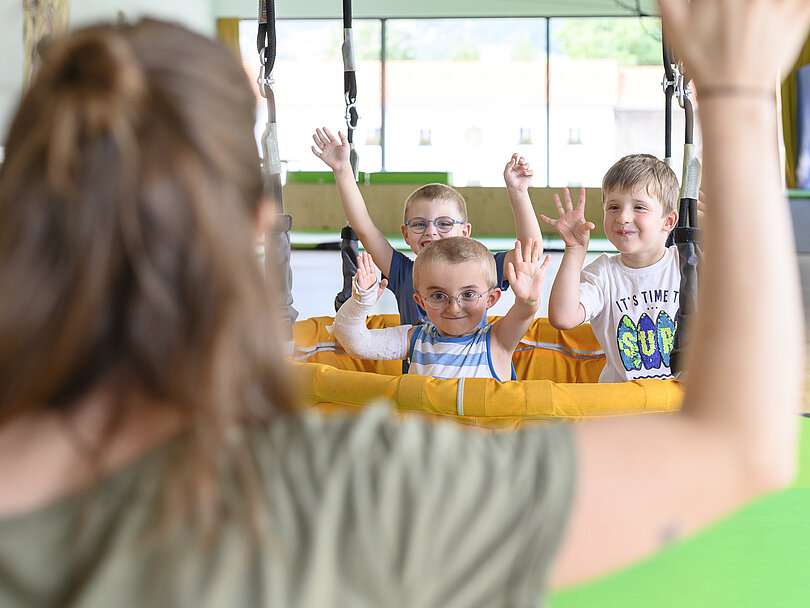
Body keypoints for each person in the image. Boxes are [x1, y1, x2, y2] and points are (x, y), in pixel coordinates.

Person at [0, 0, 806, 605]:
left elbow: (523, 323)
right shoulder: (331, 493)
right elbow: (745, 440)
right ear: (254, 223)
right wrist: (735, 92)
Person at [312, 130, 542, 325]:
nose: (431, 231)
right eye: (420, 224)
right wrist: (342, 170)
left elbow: (529, 255)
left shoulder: (482, 268)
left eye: (444, 224)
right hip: (419, 377)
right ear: (406, 235)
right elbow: (364, 228)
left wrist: (519, 193)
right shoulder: (403, 273)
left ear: (465, 233)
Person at [540, 154, 681, 382]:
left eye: (639, 207)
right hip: (621, 407)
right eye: (613, 207)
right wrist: (575, 250)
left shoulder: (686, 264)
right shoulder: (604, 273)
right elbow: (563, 317)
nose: (623, 217)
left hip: (678, 407)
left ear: (668, 221)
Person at [331, 238, 550, 380]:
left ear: (491, 299)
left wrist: (529, 301)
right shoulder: (414, 340)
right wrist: (362, 301)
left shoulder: (497, 341)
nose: (454, 308)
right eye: (438, 296)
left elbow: (524, 312)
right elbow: (355, 343)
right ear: (420, 302)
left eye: (468, 294)